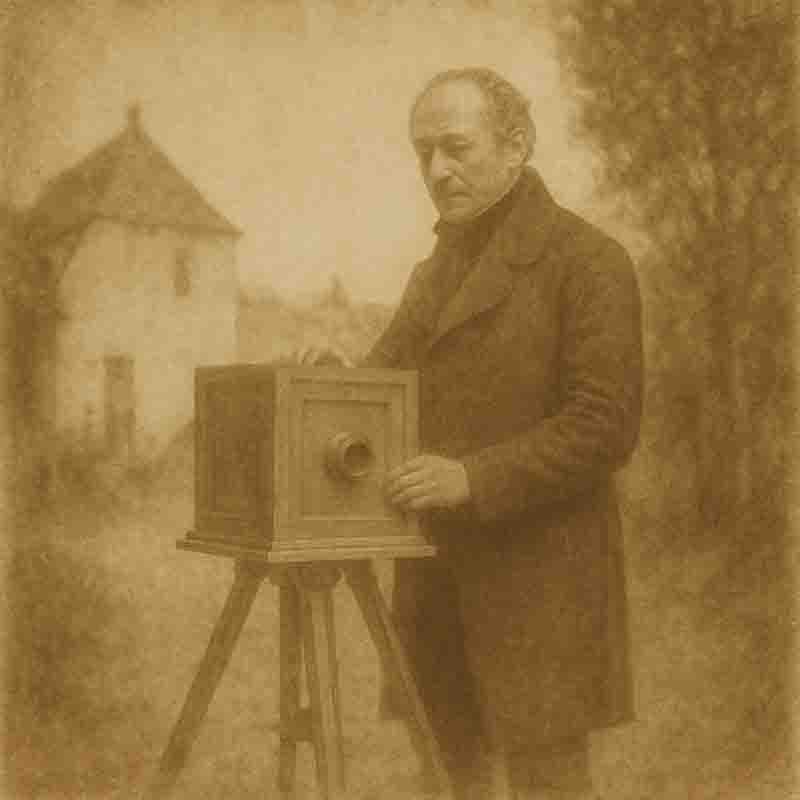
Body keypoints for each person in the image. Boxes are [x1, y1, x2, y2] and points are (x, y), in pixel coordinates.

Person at [356, 67, 644, 800]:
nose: (436, 171)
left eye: (455, 148)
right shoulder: (434, 273)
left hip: (540, 588)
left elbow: (605, 424)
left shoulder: (589, 261)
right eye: (423, 153)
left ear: (517, 146)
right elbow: (382, 383)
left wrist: (471, 478)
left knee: (548, 785)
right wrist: (334, 382)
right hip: (437, 583)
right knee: (448, 779)